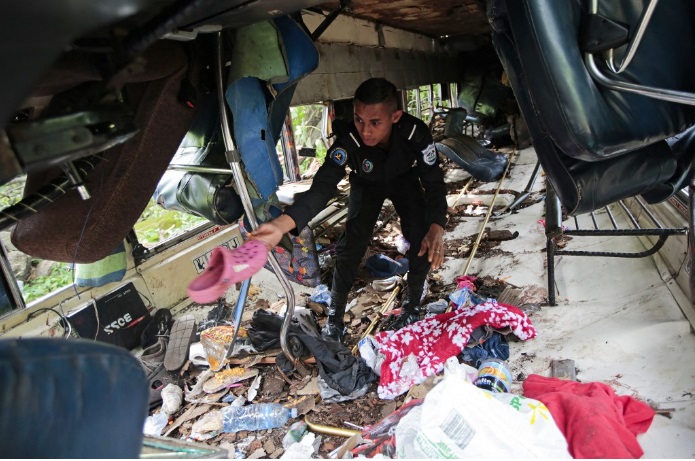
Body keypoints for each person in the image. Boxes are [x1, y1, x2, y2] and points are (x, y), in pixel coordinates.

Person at [252, 78, 447, 342]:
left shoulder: (415, 133)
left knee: (420, 235)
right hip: (366, 185)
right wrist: (283, 224)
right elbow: (322, 187)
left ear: (396, 116)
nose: (365, 131)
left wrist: (436, 225)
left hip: (405, 181)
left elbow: (434, 182)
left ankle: (413, 306)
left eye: (375, 123)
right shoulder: (348, 141)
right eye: (359, 120)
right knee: (352, 246)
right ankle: (335, 319)